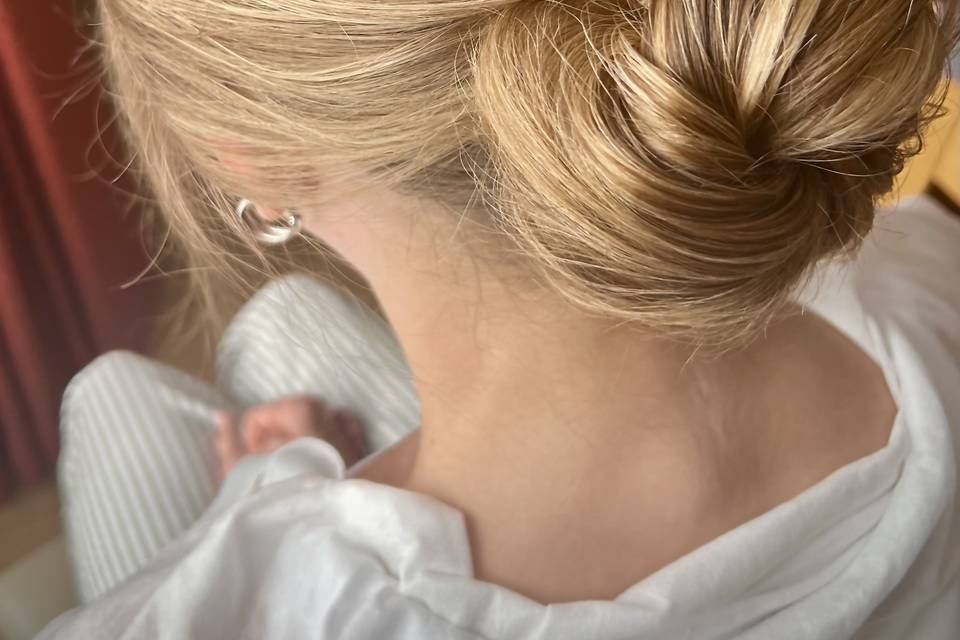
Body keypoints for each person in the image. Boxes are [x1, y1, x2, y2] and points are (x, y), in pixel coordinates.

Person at [39, 1, 960, 638]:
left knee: (115, 394)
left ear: (255, 156)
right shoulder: (919, 267)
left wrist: (260, 515)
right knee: (289, 325)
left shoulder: (225, 612)